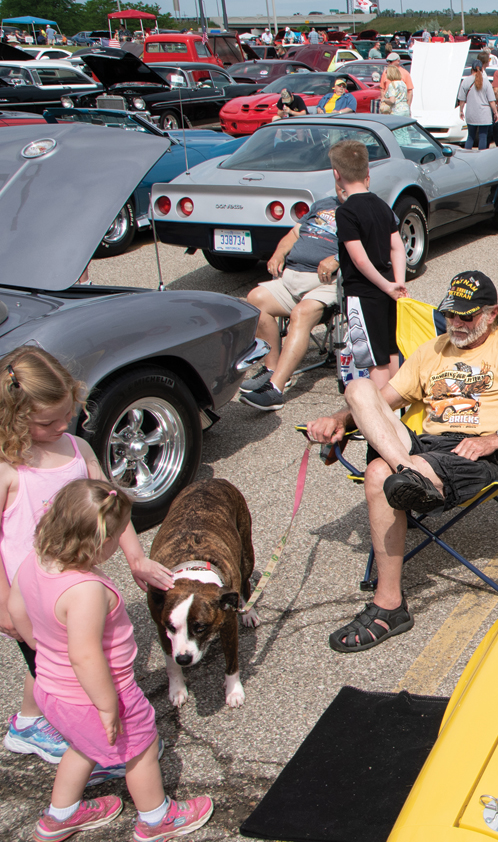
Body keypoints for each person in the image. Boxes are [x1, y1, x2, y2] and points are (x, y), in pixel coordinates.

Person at [304, 272, 498, 652]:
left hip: (477, 452)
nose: (455, 323)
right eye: (450, 314)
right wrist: (337, 420)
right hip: (423, 449)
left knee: (377, 473)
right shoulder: (432, 350)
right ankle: (408, 474)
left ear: (492, 314)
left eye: (466, 316)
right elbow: (381, 402)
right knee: (358, 388)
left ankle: (388, 605)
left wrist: (496, 438)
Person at [1, 349, 173, 777]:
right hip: (32, 595)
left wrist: (136, 558)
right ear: (13, 418)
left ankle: (28, 722)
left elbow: (111, 505)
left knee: (55, 661)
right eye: (47, 422)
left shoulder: (77, 448)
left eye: (67, 414)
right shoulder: (7, 470)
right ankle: (91, 741)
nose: (62, 426)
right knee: (61, 668)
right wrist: (3, 602)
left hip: (71, 589)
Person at [9, 480, 213, 842]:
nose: (120, 543)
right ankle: (156, 818)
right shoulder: (85, 590)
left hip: (51, 686)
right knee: (140, 749)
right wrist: (107, 706)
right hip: (99, 693)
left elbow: (16, 607)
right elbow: (85, 655)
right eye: (117, 536)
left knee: (81, 746)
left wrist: (42, 649)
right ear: (98, 542)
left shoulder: (35, 560)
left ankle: (60, 816)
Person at [241, 199, 342, 411]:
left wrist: (337, 258)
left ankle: (275, 390)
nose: (342, 186)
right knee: (255, 299)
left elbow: (368, 246)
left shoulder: (358, 208)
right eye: (339, 182)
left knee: (300, 313)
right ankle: (272, 369)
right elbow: (294, 234)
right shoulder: (323, 204)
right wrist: (278, 254)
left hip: (325, 283)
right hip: (290, 279)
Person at [333, 140, 406, 390]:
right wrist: (397, 283)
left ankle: (382, 408)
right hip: (390, 290)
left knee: (375, 359)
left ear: (337, 174)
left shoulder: (345, 212)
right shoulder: (381, 205)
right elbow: (397, 247)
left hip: (364, 293)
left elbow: (359, 259)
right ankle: (398, 406)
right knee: (391, 350)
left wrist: (386, 286)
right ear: (367, 173)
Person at [458, 60, 498, 151]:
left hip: (471, 112)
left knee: (470, 136)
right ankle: (481, 156)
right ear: (482, 69)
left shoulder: (465, 81)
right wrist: (495, 112)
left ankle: (467, 155)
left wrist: (461, 110)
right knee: (483, 136)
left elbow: (462, 99)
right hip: (484, 113)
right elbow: (491, 100)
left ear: (471, 69)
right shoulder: (486, 82)